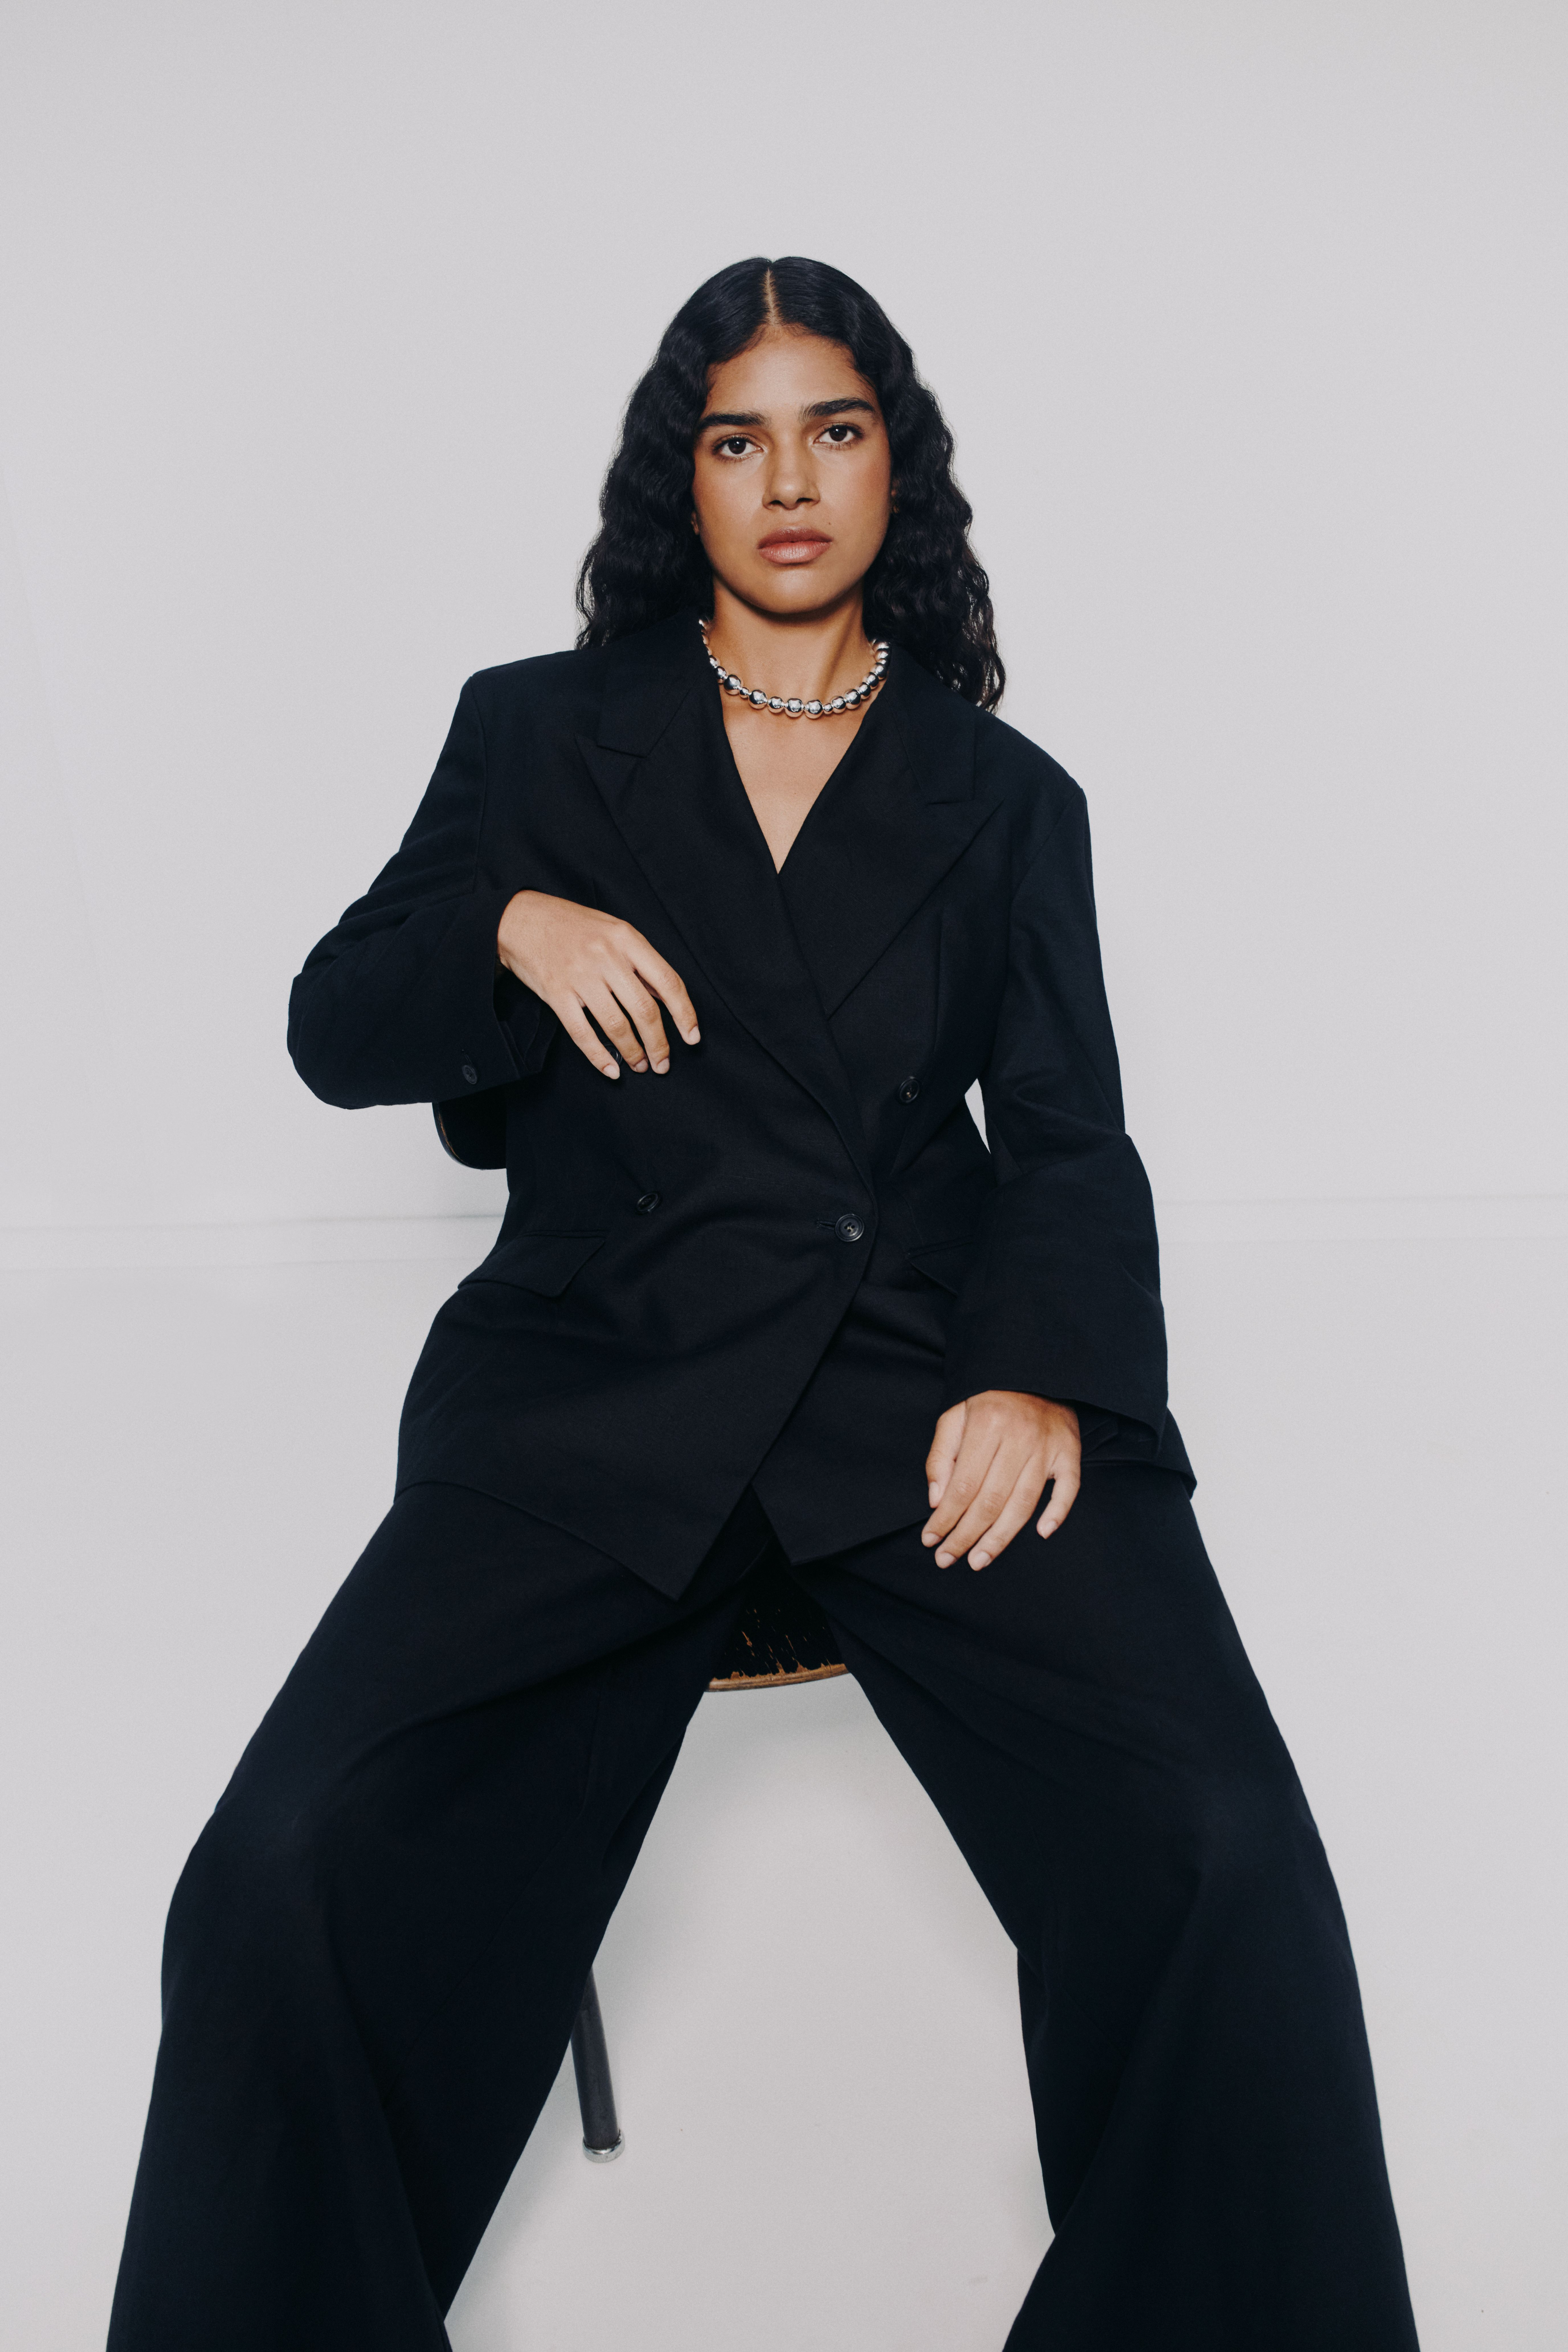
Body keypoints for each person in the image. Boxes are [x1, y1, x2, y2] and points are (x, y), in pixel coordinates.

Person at [107, 256, 1420, 2350]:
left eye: (835, 429)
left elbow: (1068, 1138)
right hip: (589, 1397)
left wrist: (1043, 1377)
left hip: (917, 1397)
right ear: (679, 479)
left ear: (899, 466)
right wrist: (509, 926)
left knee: (1228, 1853)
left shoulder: (1009, 800)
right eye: (739, 438)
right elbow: (337, 1025)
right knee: (274, 1875)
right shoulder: (536, 732)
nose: (789, 480)